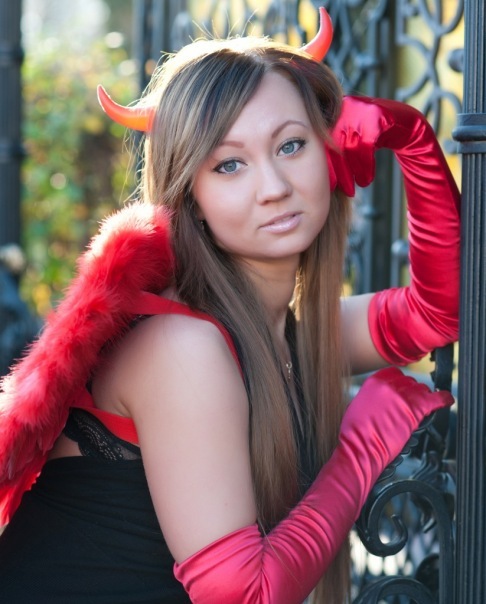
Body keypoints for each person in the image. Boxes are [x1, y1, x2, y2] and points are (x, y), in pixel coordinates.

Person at [0, 7, 459, 603]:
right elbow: (245, 595)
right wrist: (361, 448)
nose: (274, 187)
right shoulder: (181, 347)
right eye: (230, 165)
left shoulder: (282, 331)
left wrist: (412, 139)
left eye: (291, 145)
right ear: (191, 196)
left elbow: (436, 313)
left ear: (330, 152)